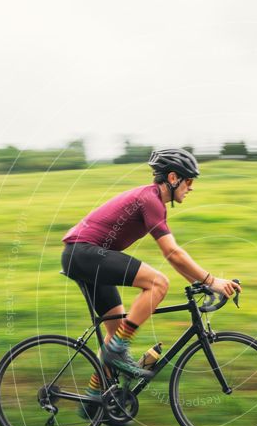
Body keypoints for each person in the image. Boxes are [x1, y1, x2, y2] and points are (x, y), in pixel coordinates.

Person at [61, 148, 241, 408]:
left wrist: (201, 281)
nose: (191, 188)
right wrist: (213, 281)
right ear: (172, 178)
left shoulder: (151, 200)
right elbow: (172, 252)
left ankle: (95, 401)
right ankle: (117, 352)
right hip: (85, 253)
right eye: (189, 181)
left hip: (83, 256)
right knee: (158, 283)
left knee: (115, 330)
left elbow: (175, 257)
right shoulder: (151, 200)